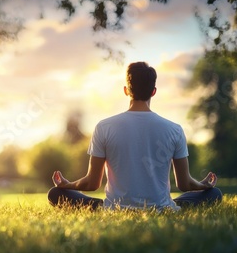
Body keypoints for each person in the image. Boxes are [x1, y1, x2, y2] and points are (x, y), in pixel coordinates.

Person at [48, 62, 223, 211]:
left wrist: (67, 185)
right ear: (153, 91)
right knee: (214, 194)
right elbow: (184, 184)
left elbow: (92, 183)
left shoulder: (104, 127)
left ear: (126, 90)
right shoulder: (175, 130)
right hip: (161, 208)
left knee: (55, 194)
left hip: (115, 208)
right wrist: (203, 185)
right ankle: (166, 205)